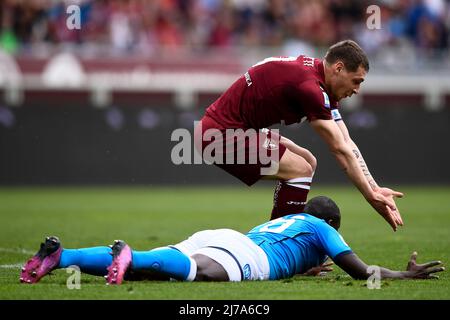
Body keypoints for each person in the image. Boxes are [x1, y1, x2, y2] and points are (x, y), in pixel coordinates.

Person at [195, 39, 404, 230]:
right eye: (356, 81)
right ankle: (278, 247)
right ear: (338, 68)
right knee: (300, 170)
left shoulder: (319, 81)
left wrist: (375, 188)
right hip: (219, 134)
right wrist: (370, 197)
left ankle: (277, 241)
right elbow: (340, 151)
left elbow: (346, 141)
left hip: (236, 129)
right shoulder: (310, 88)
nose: (357, 89)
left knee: (308, 161)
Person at [20, 196, 443, 285]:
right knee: (198, 275)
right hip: (246, 255)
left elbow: (288, 251)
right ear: (331, 222)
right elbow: (359, 271)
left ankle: (62, 256)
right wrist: (403, 276)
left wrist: (305, 264)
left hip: (226, 236)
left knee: (155, 267)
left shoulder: (290, 222)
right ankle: (127, 254)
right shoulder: (323, 227)